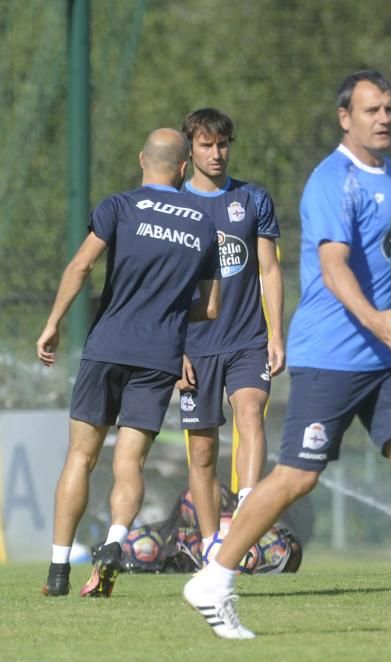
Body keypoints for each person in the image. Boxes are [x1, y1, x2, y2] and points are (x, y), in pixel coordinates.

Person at [182, 70, 391, 639]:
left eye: (390, 109)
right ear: (344, 117)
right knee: (297, 478)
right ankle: (214, 578)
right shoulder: (333, 181)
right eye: (371, 109)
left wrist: (383, 328)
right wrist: (375, 316)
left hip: (382, 357)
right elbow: (332, 266)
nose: (384, 118)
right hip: (332, 354)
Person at [37, 128, 221, 598]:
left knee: (81, 456)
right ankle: (115, 542)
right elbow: (211, 307)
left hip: (107, 347)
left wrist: (54, 323)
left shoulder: (118, 206)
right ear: (184, 168)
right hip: (159, 358)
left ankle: (58, 571)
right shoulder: (203, 224)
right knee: (130, 462)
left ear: (144, 160)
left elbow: (80, 267)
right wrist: (172, 311)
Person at [176, 108, 284, 563]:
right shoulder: (173, 206)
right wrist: (172, 349)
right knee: (202, 453)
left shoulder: (253, 199)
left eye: (222, 145)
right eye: (206, 145)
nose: (216, 153)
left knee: (251, 412)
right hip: (194, 348)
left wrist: (277, 333)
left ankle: (245, 513)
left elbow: (270, 268)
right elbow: (165, 286)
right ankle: (209, 544)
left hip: (247, 340)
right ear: (190, 150)